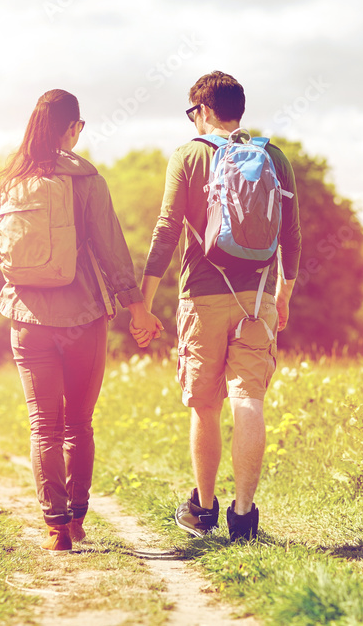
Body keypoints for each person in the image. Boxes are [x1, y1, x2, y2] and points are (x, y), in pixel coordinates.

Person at [0, 89, 163, 553]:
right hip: (82, 316)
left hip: (26, 319)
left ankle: (55, 527)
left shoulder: (9, 182)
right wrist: (137, 307)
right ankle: (77, 517)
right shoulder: (88, 181)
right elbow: (112, 250)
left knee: (43, 425)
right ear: (74, 129)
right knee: (78, 423)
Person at [136, 71, 302, 541]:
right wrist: (281, 296)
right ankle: (244, 516)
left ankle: (203, 510)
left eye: (193, 112)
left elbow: (167, 229)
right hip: (259, 298)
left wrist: (142, 306)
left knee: (205, 405)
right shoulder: (275, 157)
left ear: (203, 111)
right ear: (239, 111)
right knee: (248, 398)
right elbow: (291, 237)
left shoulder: (189, 154)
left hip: (203, 296)